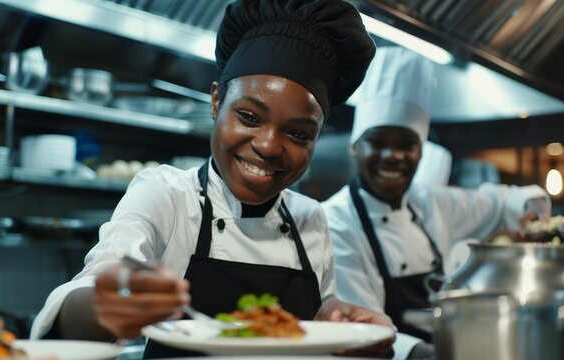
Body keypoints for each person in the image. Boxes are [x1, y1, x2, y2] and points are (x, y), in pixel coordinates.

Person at [31, 0, 395, 358]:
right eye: (250, 117)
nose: (268, 146)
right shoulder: (166, 194)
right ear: (216, 101)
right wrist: (103, 304)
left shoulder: (311, 218)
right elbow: (101, 276)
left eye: (298, 134)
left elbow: (311, 330)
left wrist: (336, 320)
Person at [322, 46, 551, 358]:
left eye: (407, 145)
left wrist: (534, 213)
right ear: (355, 147)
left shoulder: (432, 202)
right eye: (377, 141)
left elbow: (505, 202)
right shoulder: (335, 221)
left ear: (420, 150)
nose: (393, 156)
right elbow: (363, 329)